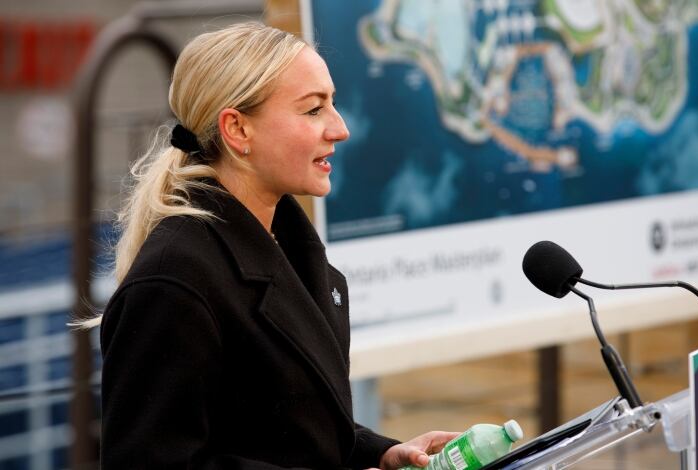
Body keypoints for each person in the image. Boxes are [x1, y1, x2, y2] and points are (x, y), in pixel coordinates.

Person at [89, 22, 458, 469]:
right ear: (237, 130)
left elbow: (291, 422)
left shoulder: (286, 246)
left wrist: (379, 454)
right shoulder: (174, 281)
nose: (339, 129)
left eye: (333, 104)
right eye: (312, 110)